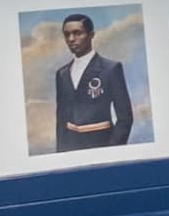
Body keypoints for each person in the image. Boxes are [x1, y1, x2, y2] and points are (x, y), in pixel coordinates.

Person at [47, 13, 133, 151]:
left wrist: (113, 151)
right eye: (67, 34)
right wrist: (61, 153)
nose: (71, 39)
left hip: (101, 143)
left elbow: (125, 119)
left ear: (91, 35)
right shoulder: (62, 74)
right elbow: (61, 119)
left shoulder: (110, 69)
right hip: (71, 147)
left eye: (77, 33)